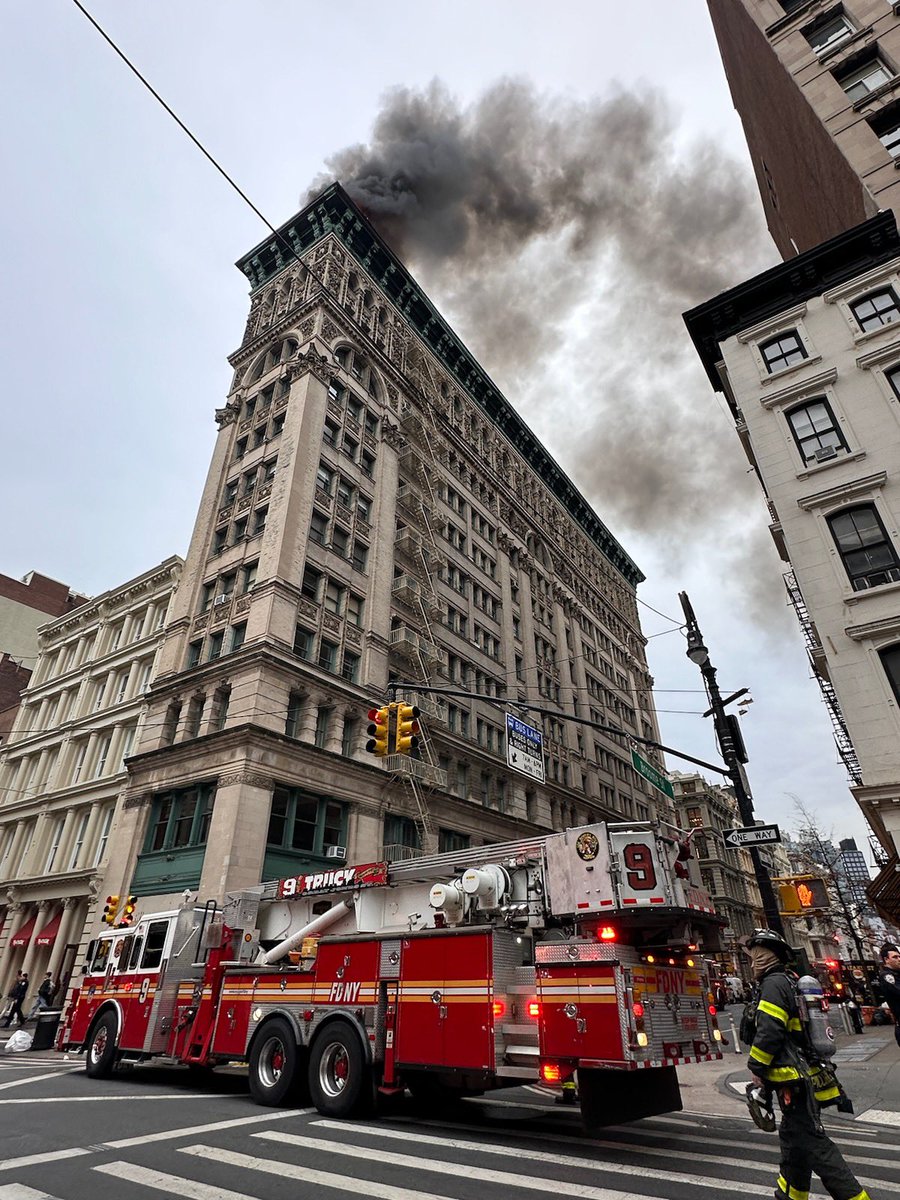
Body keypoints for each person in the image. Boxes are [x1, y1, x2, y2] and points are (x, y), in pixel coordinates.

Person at [744, 929, 872, 1200]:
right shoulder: (789, 981)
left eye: (756, 957)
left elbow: (770, 1030)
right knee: (794, 1142)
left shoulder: (772, 985)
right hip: (803, 1074)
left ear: (765, 959)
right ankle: (791, 1195)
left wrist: (756, 1067)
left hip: (794, 1079)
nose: (752, 963)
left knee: (815, 1145)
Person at [875, 943, 900, 1048]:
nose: (899, 959)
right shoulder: (887, 976)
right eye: (895, 957)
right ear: (886, 960)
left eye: (899, 956)